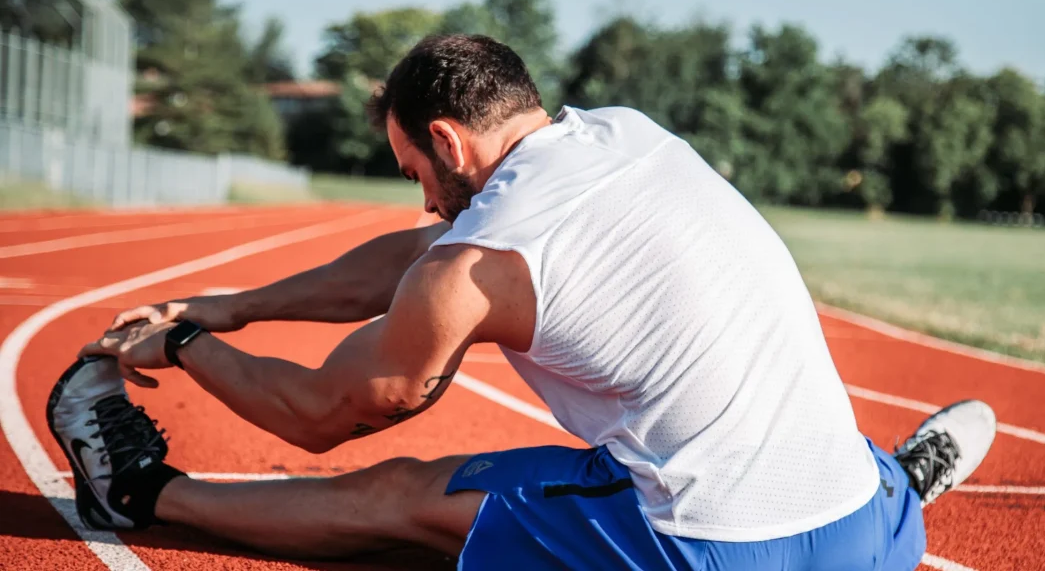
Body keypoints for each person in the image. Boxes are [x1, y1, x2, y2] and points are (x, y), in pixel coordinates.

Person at [48, 33, 996, 570]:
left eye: (415, 168)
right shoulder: (624, 135)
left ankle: (142, 495)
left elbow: (319, 415)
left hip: (708, 554)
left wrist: (180, 348)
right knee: (777, 409)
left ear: (451, 143)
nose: (421, 197)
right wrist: (238, 304)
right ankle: (902, 486)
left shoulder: (477, 266)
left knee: (404, 496)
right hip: (858, 533)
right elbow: (417, 252)